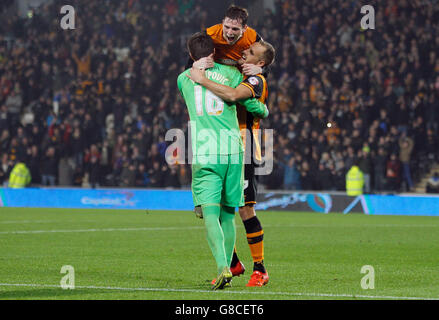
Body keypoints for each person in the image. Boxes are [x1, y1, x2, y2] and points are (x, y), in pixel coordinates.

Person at [177, 32, 268, 290]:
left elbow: (191, 75)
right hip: (233, 152)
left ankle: (223, 268)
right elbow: (249, 103)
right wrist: (263, 109)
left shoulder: (183, 79)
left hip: (206, 154)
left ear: (192, 55)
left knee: (210, 214)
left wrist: (197, 70)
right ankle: (232, 265)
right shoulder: (231, 76)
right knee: (229, 215)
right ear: (215, 53)